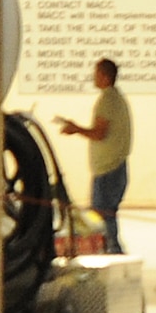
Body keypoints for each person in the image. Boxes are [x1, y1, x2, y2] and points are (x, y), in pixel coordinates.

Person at [56, 57, 133, 253]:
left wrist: (75, 129)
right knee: (107, 213)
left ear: (105, 77)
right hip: (115, 167)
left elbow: (99, 133)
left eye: (97, 73)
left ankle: (111, 250)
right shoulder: (117, 98)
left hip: (108, 169)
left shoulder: (107, 100)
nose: (94, 77)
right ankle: (112, 249)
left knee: (102, 215)